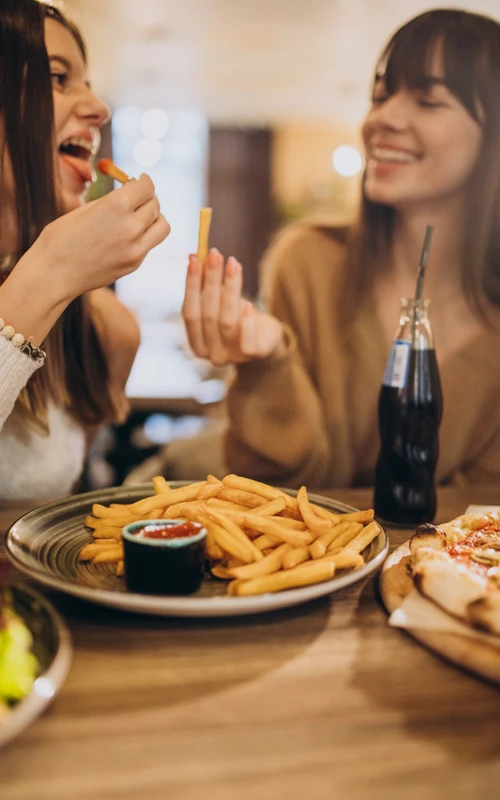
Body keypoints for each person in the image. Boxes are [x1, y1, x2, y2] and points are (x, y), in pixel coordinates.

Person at [182, 8, 500, 489]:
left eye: (428, 101)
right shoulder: (308, 263)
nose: (382, 118)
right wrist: (267, 364)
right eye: (381, 96)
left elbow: (480, 521)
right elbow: (276, 487)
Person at [0, 0, 170, 500]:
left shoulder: (105, 333)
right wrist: (51, 269)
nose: (100, 109)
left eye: (89, 83)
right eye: (58, 78)